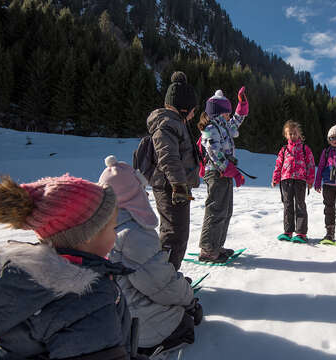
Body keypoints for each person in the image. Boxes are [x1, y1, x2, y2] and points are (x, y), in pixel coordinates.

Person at [0, 174, 141, 359]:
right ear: (88, 235)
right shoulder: (86, 298)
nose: (116, 236)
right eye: (112, 228)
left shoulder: (27, 281)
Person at [99, 155, 203, 355]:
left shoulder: (99, 225)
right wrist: (189, 301)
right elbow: (161, 285)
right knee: (184, 325)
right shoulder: (133, 233)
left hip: (111, 318)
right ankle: (153, 346)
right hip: (138, 327)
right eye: (141, 189)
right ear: (132, 193)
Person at [146, 71, 200, 271]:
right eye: (193, 110)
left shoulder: (174, 123)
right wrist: (178, 185)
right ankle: (163, 280)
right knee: (173, 235)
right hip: (171, 187)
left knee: (177, 233)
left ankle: (167, 278)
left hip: (176, 187)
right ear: (183, 108)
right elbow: (168, 156)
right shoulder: (167, 124)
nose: (194, 114)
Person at [198, 87, 249, 262]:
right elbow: (214, 154)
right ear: (220, 113)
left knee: (225, 211)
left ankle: (217, 245)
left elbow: (237, 121)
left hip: (224, 174)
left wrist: (242, 104)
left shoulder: (223, 126)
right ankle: (207, 249)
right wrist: (232, 171)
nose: (230, 116)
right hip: (215, 174)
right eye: (227, 112)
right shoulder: (211, 129)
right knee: (216, 210)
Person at [271, 120, 316, 243]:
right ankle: (288, 231)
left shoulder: (304, 148)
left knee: (300, 205)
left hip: (300, 180)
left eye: (294, 133)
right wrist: (275, 178)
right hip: (286, 180)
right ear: (286, 135)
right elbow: (278, 164)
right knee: (288, 205)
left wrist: (310, 180)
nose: (292, 136)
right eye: (289, 134)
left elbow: (311, 164)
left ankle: (301, 233)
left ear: (299, 134)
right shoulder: (284, 150)